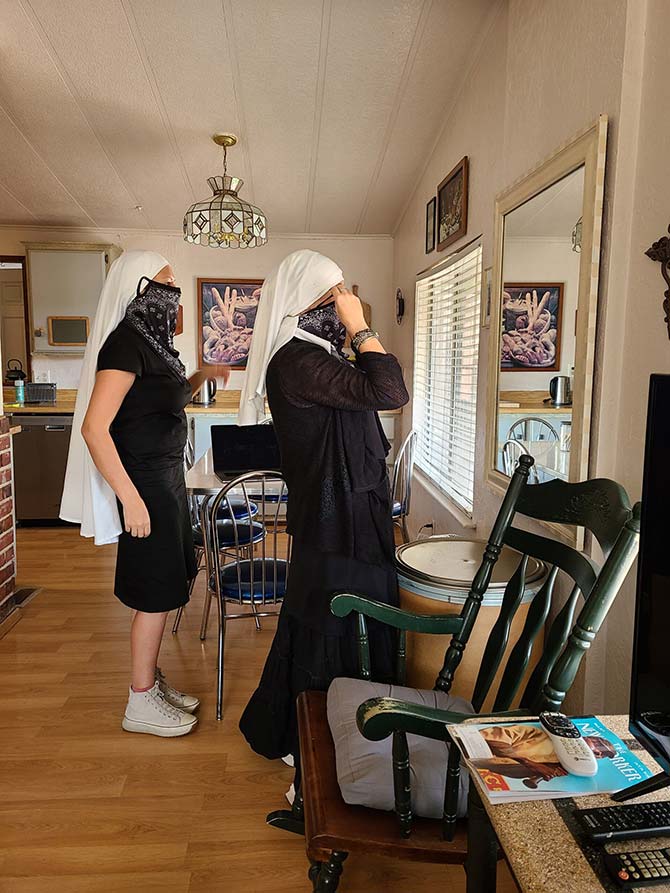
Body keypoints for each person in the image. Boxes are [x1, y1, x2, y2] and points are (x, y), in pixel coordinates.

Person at [237, 249, 409, 779]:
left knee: (338, 618)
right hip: (339, 521)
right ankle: (321, 743)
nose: (345, 304)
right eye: (336, 297)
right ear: (310, 303)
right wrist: (360, 328)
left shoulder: (315, 355)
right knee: (334, 622)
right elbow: (390, 392)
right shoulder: (298, 360)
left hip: (347, 511)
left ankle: (347, 733)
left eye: (346, 297)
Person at [60, 250, 229, 737]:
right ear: (139, 292)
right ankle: (139, 702)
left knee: (170, 582)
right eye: (166, 288)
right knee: (154, 594)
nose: (173, 298)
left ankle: (149, 681)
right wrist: (131, 499)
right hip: (146, 488)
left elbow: (164, 399)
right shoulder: (124, 346)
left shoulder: (154, 347)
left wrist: (202, 376)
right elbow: (95, 429)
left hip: (167, 481)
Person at [473, 724, 616, 788]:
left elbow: (507, 772)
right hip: (469, 756)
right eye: (597, 744)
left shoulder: (559, 768)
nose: (598, 752)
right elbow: (487, 739)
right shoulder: (538, 734)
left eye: (603, 755)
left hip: (483, 774)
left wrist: (539, 770)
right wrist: (530, 764)